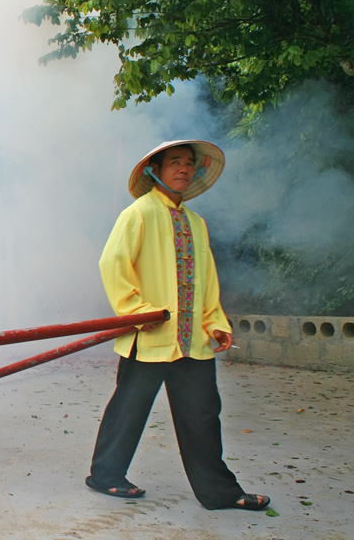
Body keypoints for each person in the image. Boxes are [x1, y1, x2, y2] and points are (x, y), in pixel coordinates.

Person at [87, 140, 270, 511]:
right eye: (175, 162)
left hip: (193, 340)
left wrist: (215, 322)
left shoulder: (196, 223)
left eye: (189, 163)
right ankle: (105, 476)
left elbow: (207, 280)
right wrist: (139, 311)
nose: (184, 169)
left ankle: (219, 493)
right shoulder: (138, 213)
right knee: (130, 407)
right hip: (150, 335)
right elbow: (113, 264)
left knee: (203, 414)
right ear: (155, 169)